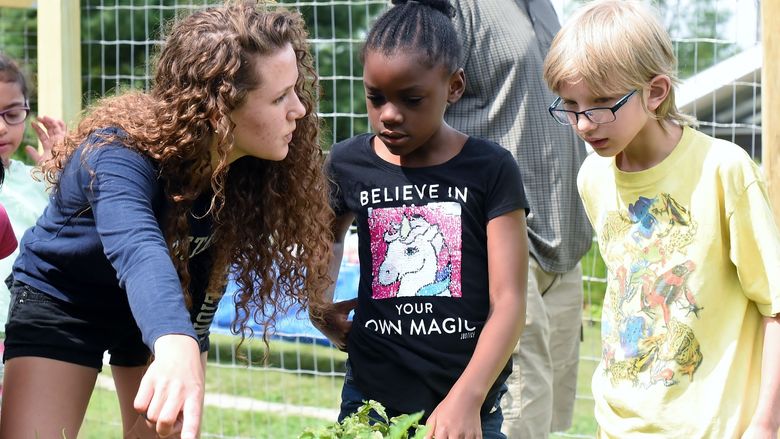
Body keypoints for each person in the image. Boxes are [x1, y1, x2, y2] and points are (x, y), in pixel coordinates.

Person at [0, 2, 333, 438]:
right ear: (220, 109)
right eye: (278, 97)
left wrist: (186, 343)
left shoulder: (247, 168)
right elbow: (139, 247)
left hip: (163, 310)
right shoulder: (116, 153)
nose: (299, 110)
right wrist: (176, 343)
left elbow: (202, 272)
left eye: (295, 90)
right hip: (67, 299)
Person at [543, 1, 780, 437]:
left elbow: (776, 306)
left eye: (600, 103)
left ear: (655, 92)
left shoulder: (724, 170)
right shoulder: (592, 176)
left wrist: (766, 422)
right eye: (571, 105)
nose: (582, 124)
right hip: (616, 426)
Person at [315, 1, 529, 437]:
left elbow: (509, 301)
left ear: (454, 87)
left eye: (411, 99)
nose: (389, 114)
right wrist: (318, 305)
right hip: (369, 402)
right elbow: (328, 238)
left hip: (465, 404)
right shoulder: (346, 163)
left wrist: (466, 400)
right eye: (375, 98)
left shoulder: (491, 169)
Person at [443, 1, 593, 437]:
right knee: (517, 413)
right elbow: (414, 100)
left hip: (565, 239)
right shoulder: (453, 7)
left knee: (545, 418)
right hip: (499, 234)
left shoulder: (544, 7)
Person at [0, 52, 66, 405]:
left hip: (30, 332)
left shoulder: (36, 180)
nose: (2, 128)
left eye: (12, 114)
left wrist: (63, 181)